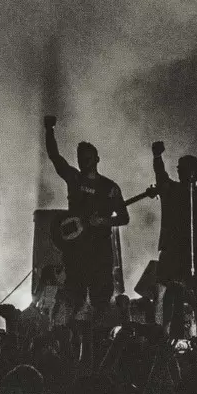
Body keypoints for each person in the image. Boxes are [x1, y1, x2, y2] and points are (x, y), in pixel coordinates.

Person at [44, 115, 129, 323]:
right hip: (76, 251)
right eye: (81, 158)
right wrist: (49, 130)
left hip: (100, 251)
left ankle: (99, 334)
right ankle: (74, 336)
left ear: (97, 159)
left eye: (88, 158)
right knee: (75, 296)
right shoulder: (74, 178)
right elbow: (55, 156)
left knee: (101, 299)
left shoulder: (110, 187)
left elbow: (124, 217)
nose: (84, 162)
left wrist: (105, 222)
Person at [151, 141, 197, 339]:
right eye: (182, 170)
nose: (185, 174)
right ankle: (164, 337)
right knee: (166, 297)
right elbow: (160, 175)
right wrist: (157, 157)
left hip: (195, 253)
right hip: (172, 252)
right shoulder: (170, 190)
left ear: (196, 173)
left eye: (188, 170)